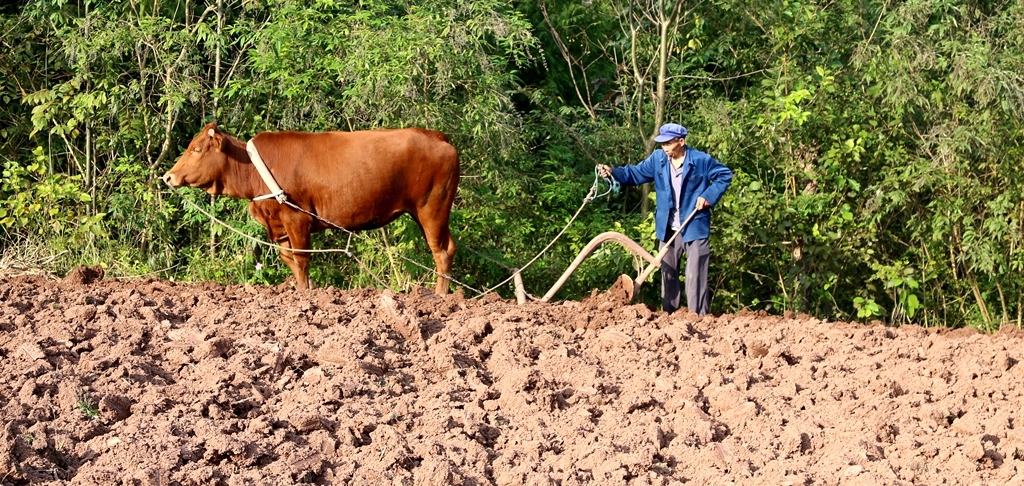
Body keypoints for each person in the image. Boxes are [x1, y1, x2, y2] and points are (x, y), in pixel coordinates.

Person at [597, 123, 732, 315]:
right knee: (668, 277)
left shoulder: (701, 160)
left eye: (669, 144)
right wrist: (612, 171)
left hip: (694, 226)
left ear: (681, 141)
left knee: (695, 278)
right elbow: (635, 173)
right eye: (662, 144)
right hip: (668, 228)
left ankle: (699, 320)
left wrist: (709, 196)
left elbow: (724, 175)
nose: (665, 148)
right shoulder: (658, 159)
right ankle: (670, 319)